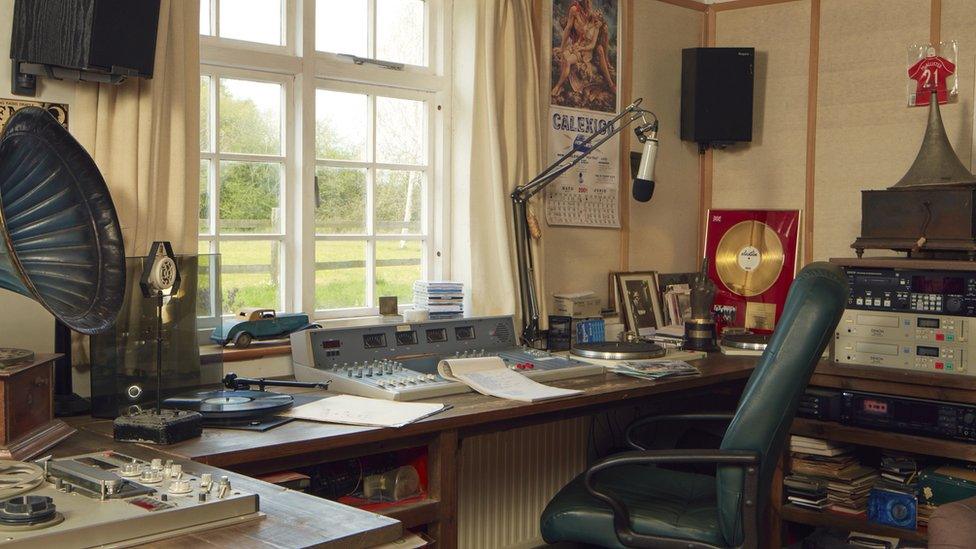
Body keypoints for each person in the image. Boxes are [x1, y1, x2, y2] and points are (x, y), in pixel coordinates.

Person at [551, 0, 616, 105]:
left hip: (586, 50)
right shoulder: (575, 10)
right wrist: (563, 47)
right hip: (579, 46)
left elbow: (592, 44)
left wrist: (582, 48)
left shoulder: (593, 20)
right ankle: (559, 85)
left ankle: (610, 83)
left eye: (597, 16)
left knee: (600, 50)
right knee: (565, 57)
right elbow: (569, 28)